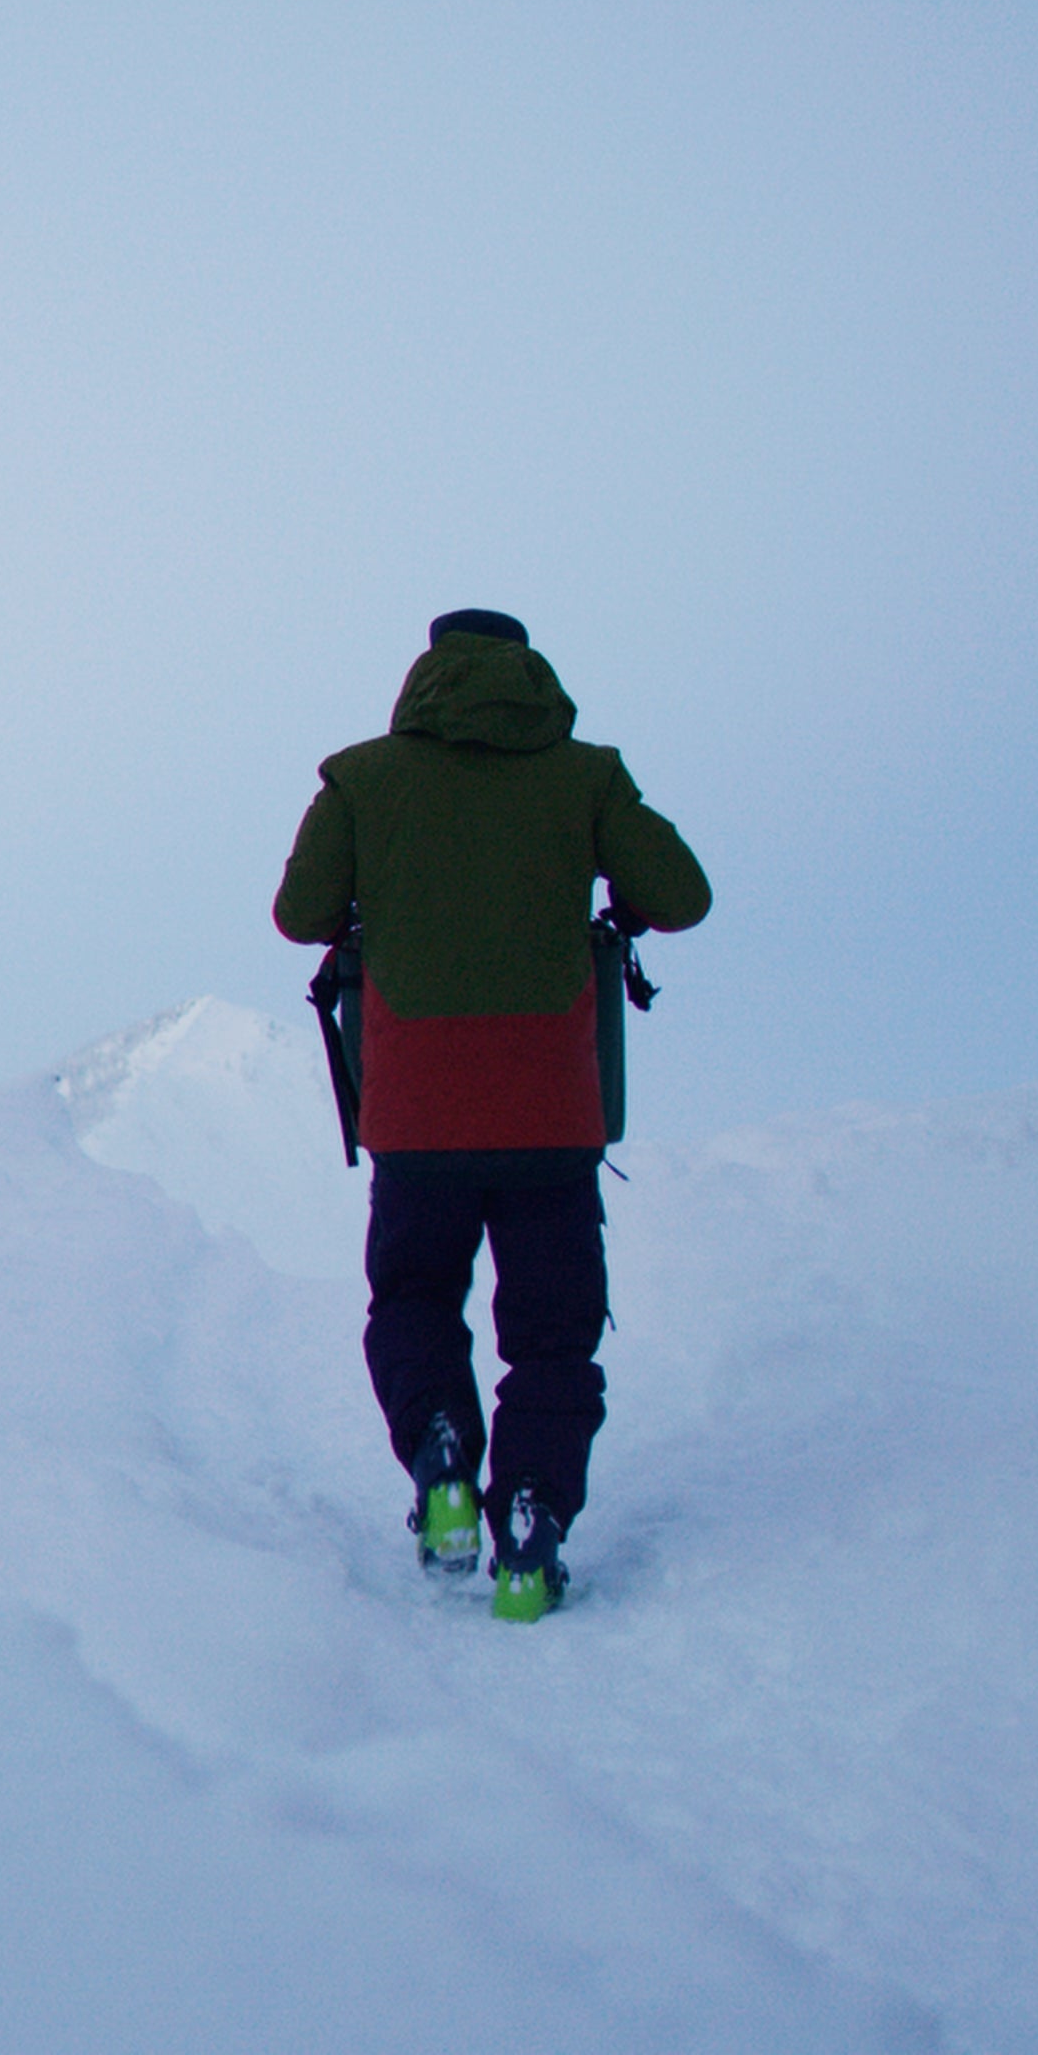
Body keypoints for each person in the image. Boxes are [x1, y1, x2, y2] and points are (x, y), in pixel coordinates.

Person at [273, 609, 709, 1621]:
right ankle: (529, 1522)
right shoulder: (585, 774)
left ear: (424, 676)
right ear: (530, 671)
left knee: (415, 1296)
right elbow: (678, 896)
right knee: (552, 1336)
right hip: (551, 1111)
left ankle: (438, 1460)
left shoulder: (361, 778)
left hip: (416, 1110)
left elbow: (301, 918)